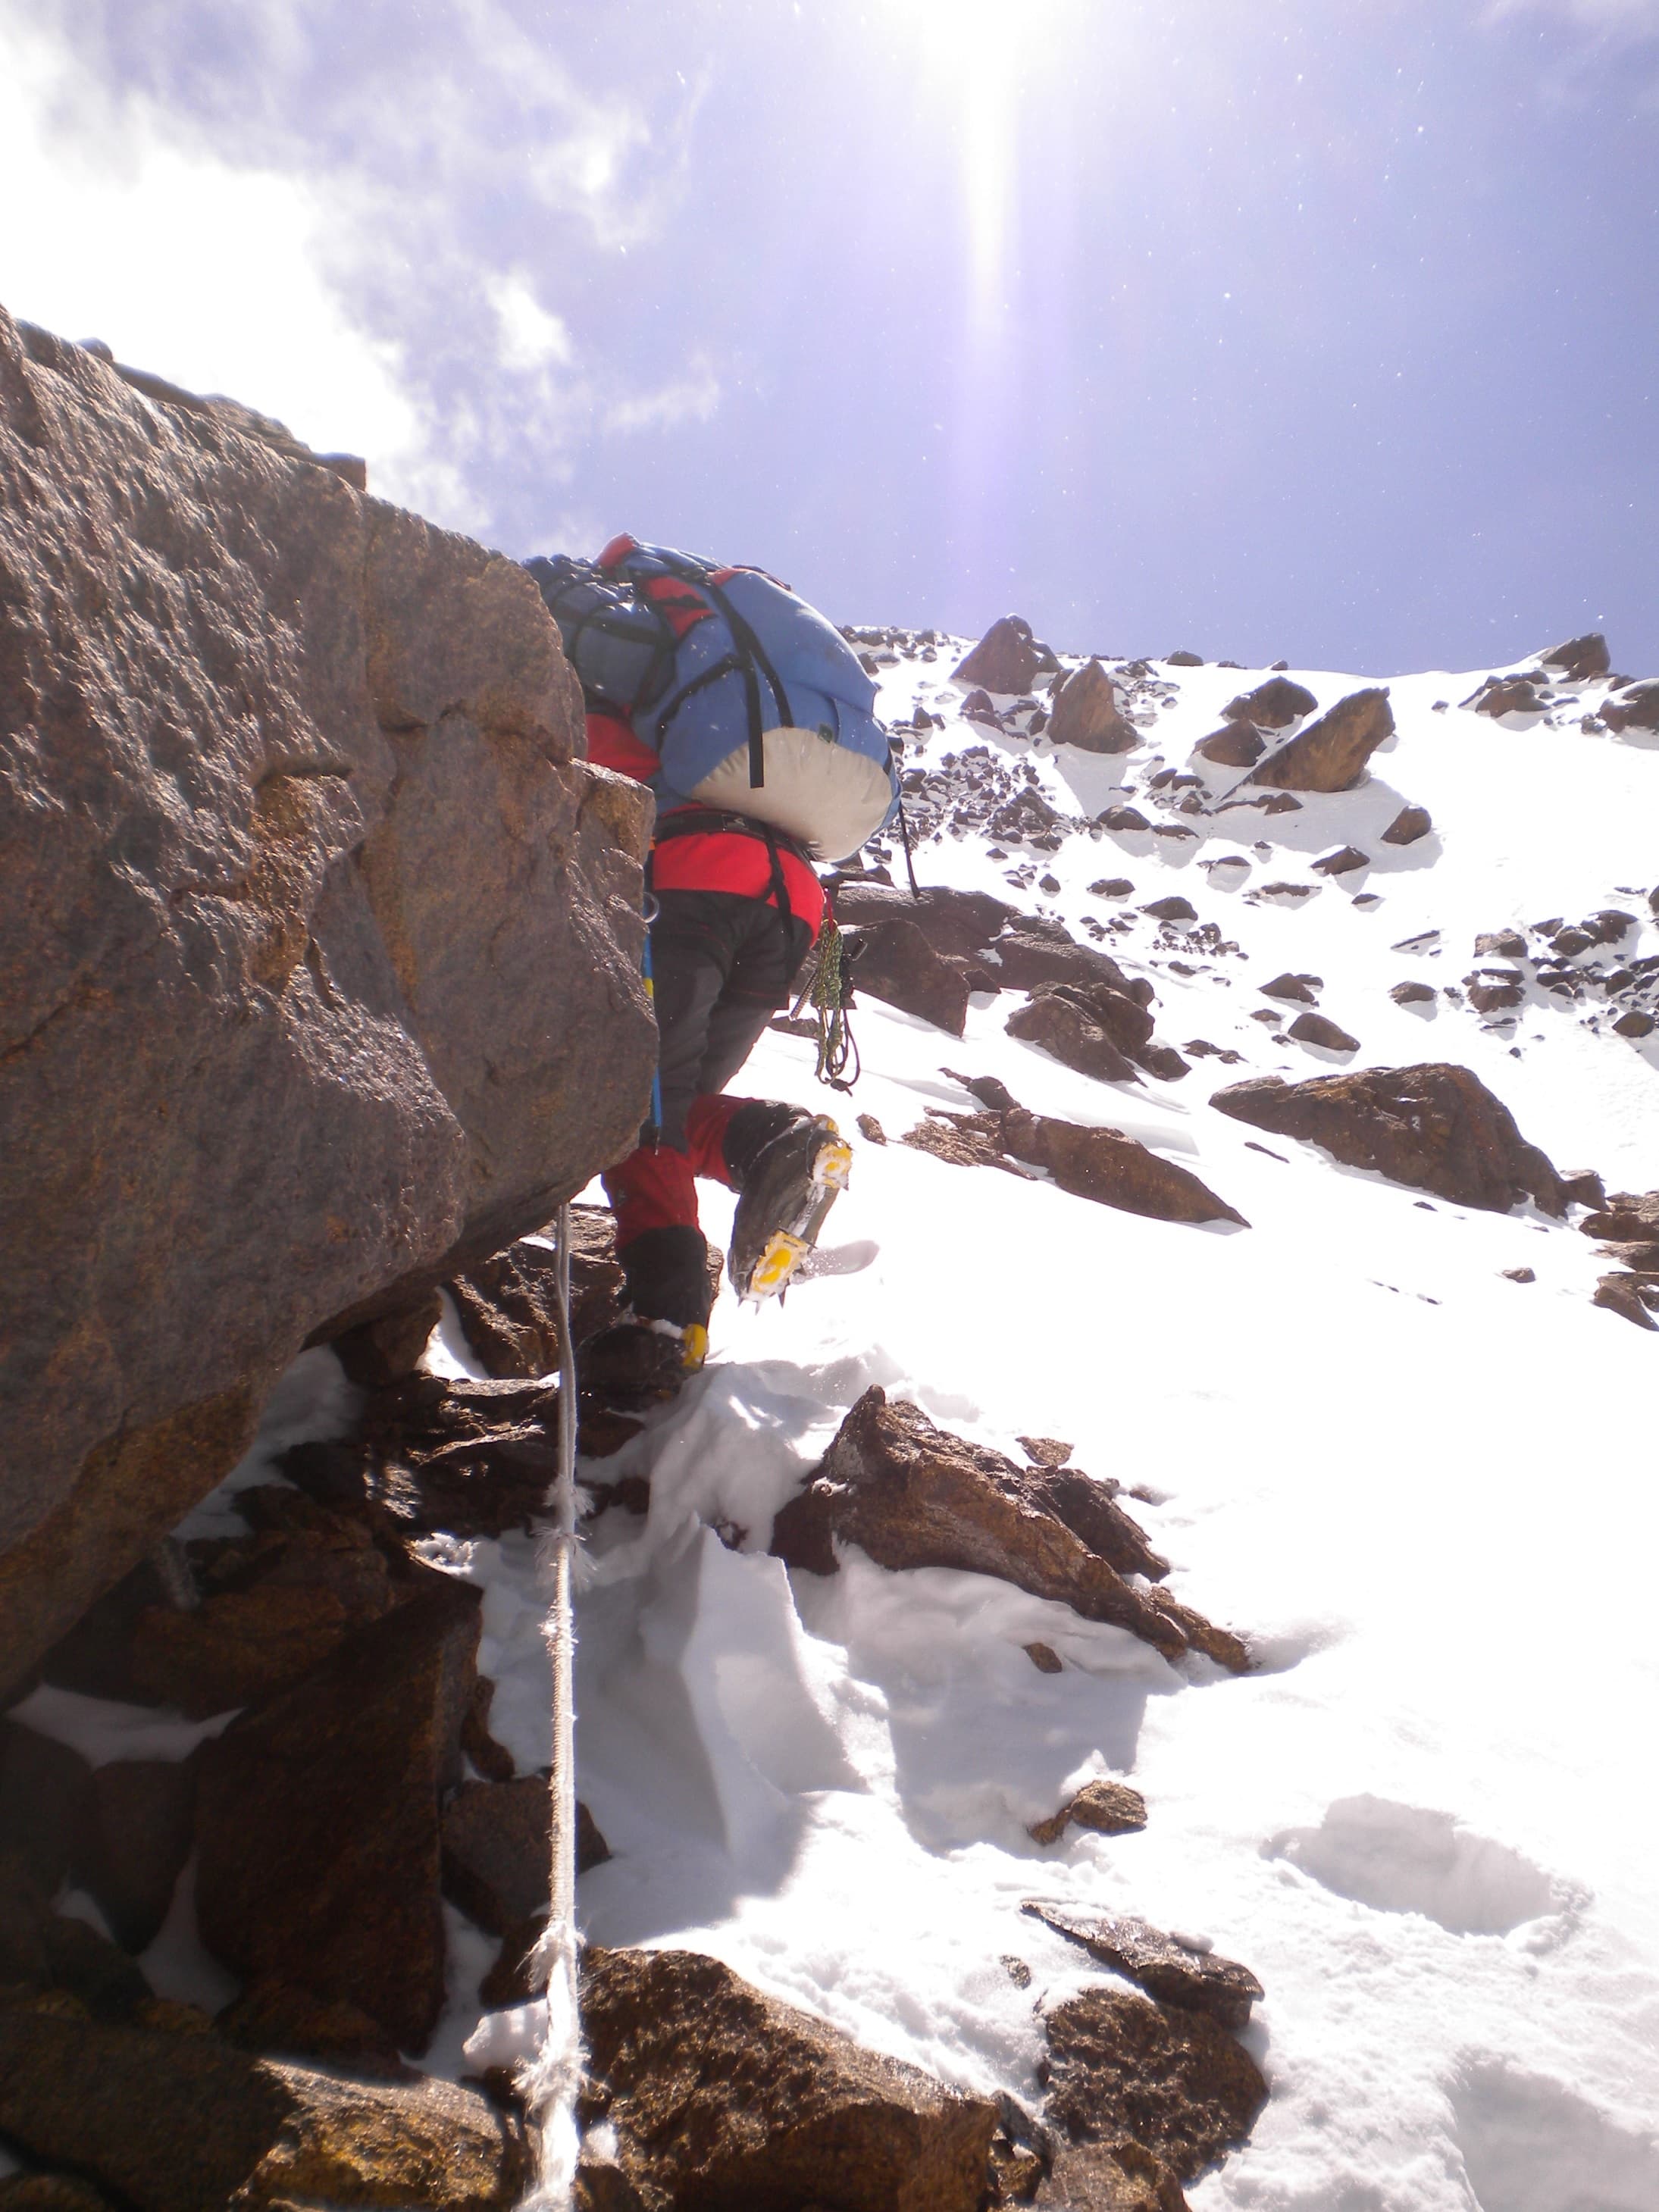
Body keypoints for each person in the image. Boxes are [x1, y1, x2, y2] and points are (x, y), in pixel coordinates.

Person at [524, 537, 898, 1399]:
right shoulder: (726, 716)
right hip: (790, 908)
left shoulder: (613, 697)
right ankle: (769, 1144)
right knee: (671, 1097)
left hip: (686, 889)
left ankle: (665, 1318)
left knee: (636, 1103)